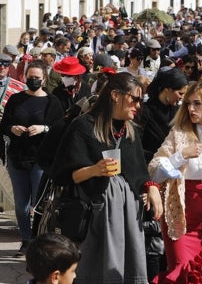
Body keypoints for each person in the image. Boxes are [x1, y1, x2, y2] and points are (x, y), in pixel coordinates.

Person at [51, 72, 162, 284]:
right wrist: (94, 170)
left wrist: (151, 187)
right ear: (115, 95)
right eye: (135, 99)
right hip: (97, 215)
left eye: (141, 100)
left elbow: (139, 172)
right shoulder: (83, 127)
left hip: (129, 217)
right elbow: (65, 175)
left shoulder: (130, 132)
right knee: (95, 270)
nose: (139, 106)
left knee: (128, 270)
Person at [149, 79, 202, 284]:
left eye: (197, 103)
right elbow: (154, 172)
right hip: (182, 217)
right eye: (188, 103)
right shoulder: (179, 135)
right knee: (182, 271)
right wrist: (180, 156)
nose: (190, 108)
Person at [0, 61, 64, 257]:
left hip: (40, 160)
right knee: (21, 205)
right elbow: (4, 124)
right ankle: (26, 240)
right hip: (17, 158)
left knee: (38, 205)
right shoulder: (16, 99)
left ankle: (38, 241)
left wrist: (44, 129)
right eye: (30, 78)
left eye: (37, 78)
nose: (33, 81)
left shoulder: (52, 102)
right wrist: (12, 128)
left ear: (44, 79)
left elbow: (61, 129)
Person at [135, 67, 188, 281]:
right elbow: (137, 147)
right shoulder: (145, 111)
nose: (181, 99)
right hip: (151, 179)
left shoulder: (178, 113)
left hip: (174, 181)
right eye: (179, 93)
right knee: (154, 237)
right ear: (166, 89)